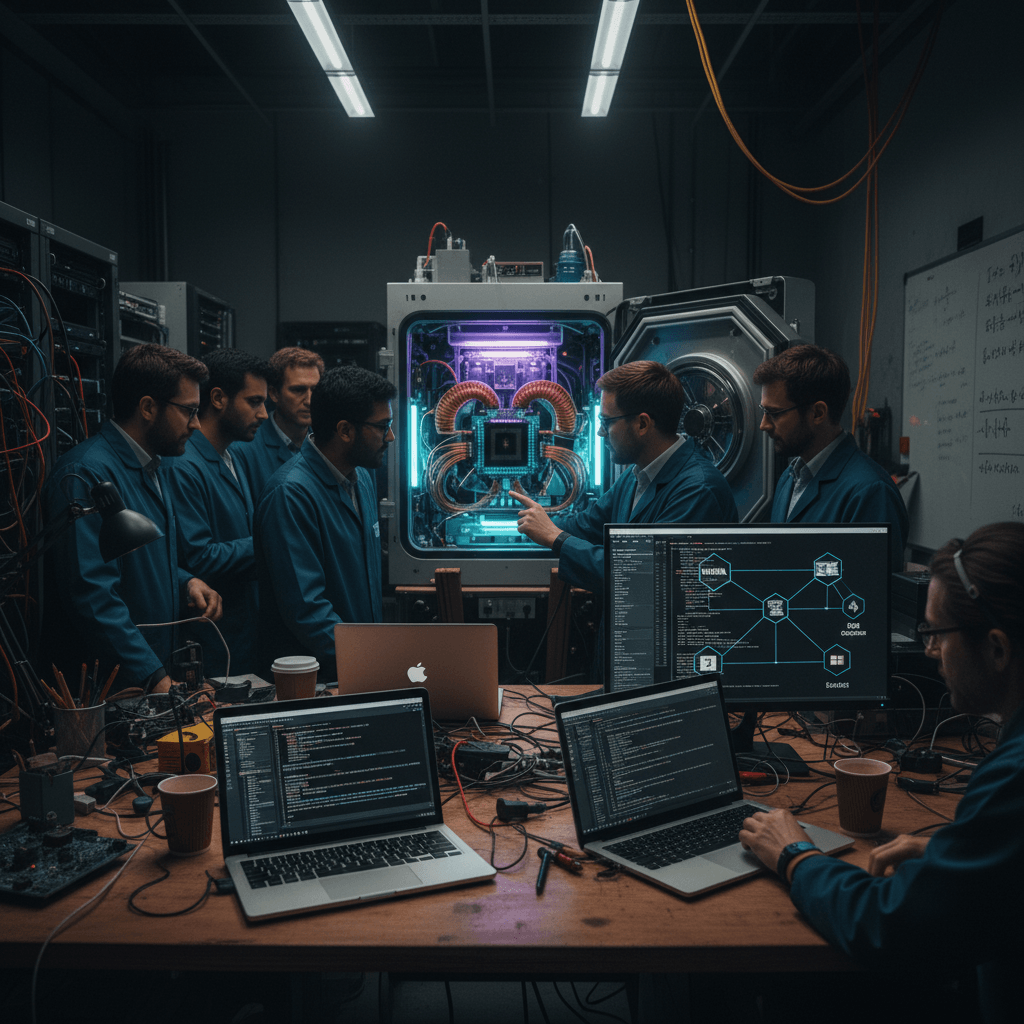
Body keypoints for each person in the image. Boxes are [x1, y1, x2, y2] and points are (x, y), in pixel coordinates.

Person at [739, 521, 1024, 1024]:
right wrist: (953, 856)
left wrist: (795, 856)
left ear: (998, 648)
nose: (929, 651)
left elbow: (888, 926)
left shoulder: (1014, 780)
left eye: (935, 633)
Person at [44, 344, 222, 694]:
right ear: (147, 407)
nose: (197, 425)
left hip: (151, 674)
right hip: (110, 690)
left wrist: (185, 581)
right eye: (189, 411)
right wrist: (154, 678)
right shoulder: (86, 473)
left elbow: (139, 559)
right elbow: (93, 595)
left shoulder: (155, 463)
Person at [511, 360, 738, 594]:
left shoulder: (698, 490)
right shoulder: (636, 475)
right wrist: (527, 526)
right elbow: (588, 525)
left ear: (642, 424)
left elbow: (638, 573)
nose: (600, 432)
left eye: (606, 422)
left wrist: (555, 537)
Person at [254, 365, 396, 679]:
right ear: (345, 430)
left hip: (358, 668)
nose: (391, 436)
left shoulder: (362, 478)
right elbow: (307, 610)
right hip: (315, 681)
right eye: (383, 425)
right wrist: (374, 664)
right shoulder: (291, 494)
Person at [753, 344, 908, 569]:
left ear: (818, 413)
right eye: (763, 411)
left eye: (774, 413)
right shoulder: (790, 478)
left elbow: (871, 598)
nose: (763, 425)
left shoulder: (870, 493)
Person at [164, 349, 270, 678]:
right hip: (211, 642)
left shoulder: (231, 455)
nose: (264, 414)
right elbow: (199, 557)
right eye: (254, 402)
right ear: (219, 398)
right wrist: (273, 540)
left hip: (239, 637)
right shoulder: (184, 465)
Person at [230, 346, 323, 501]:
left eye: (315, 390)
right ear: (274, 393)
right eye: (298, 390)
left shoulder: (327, 443)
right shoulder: (244, 449)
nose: (309, 400)